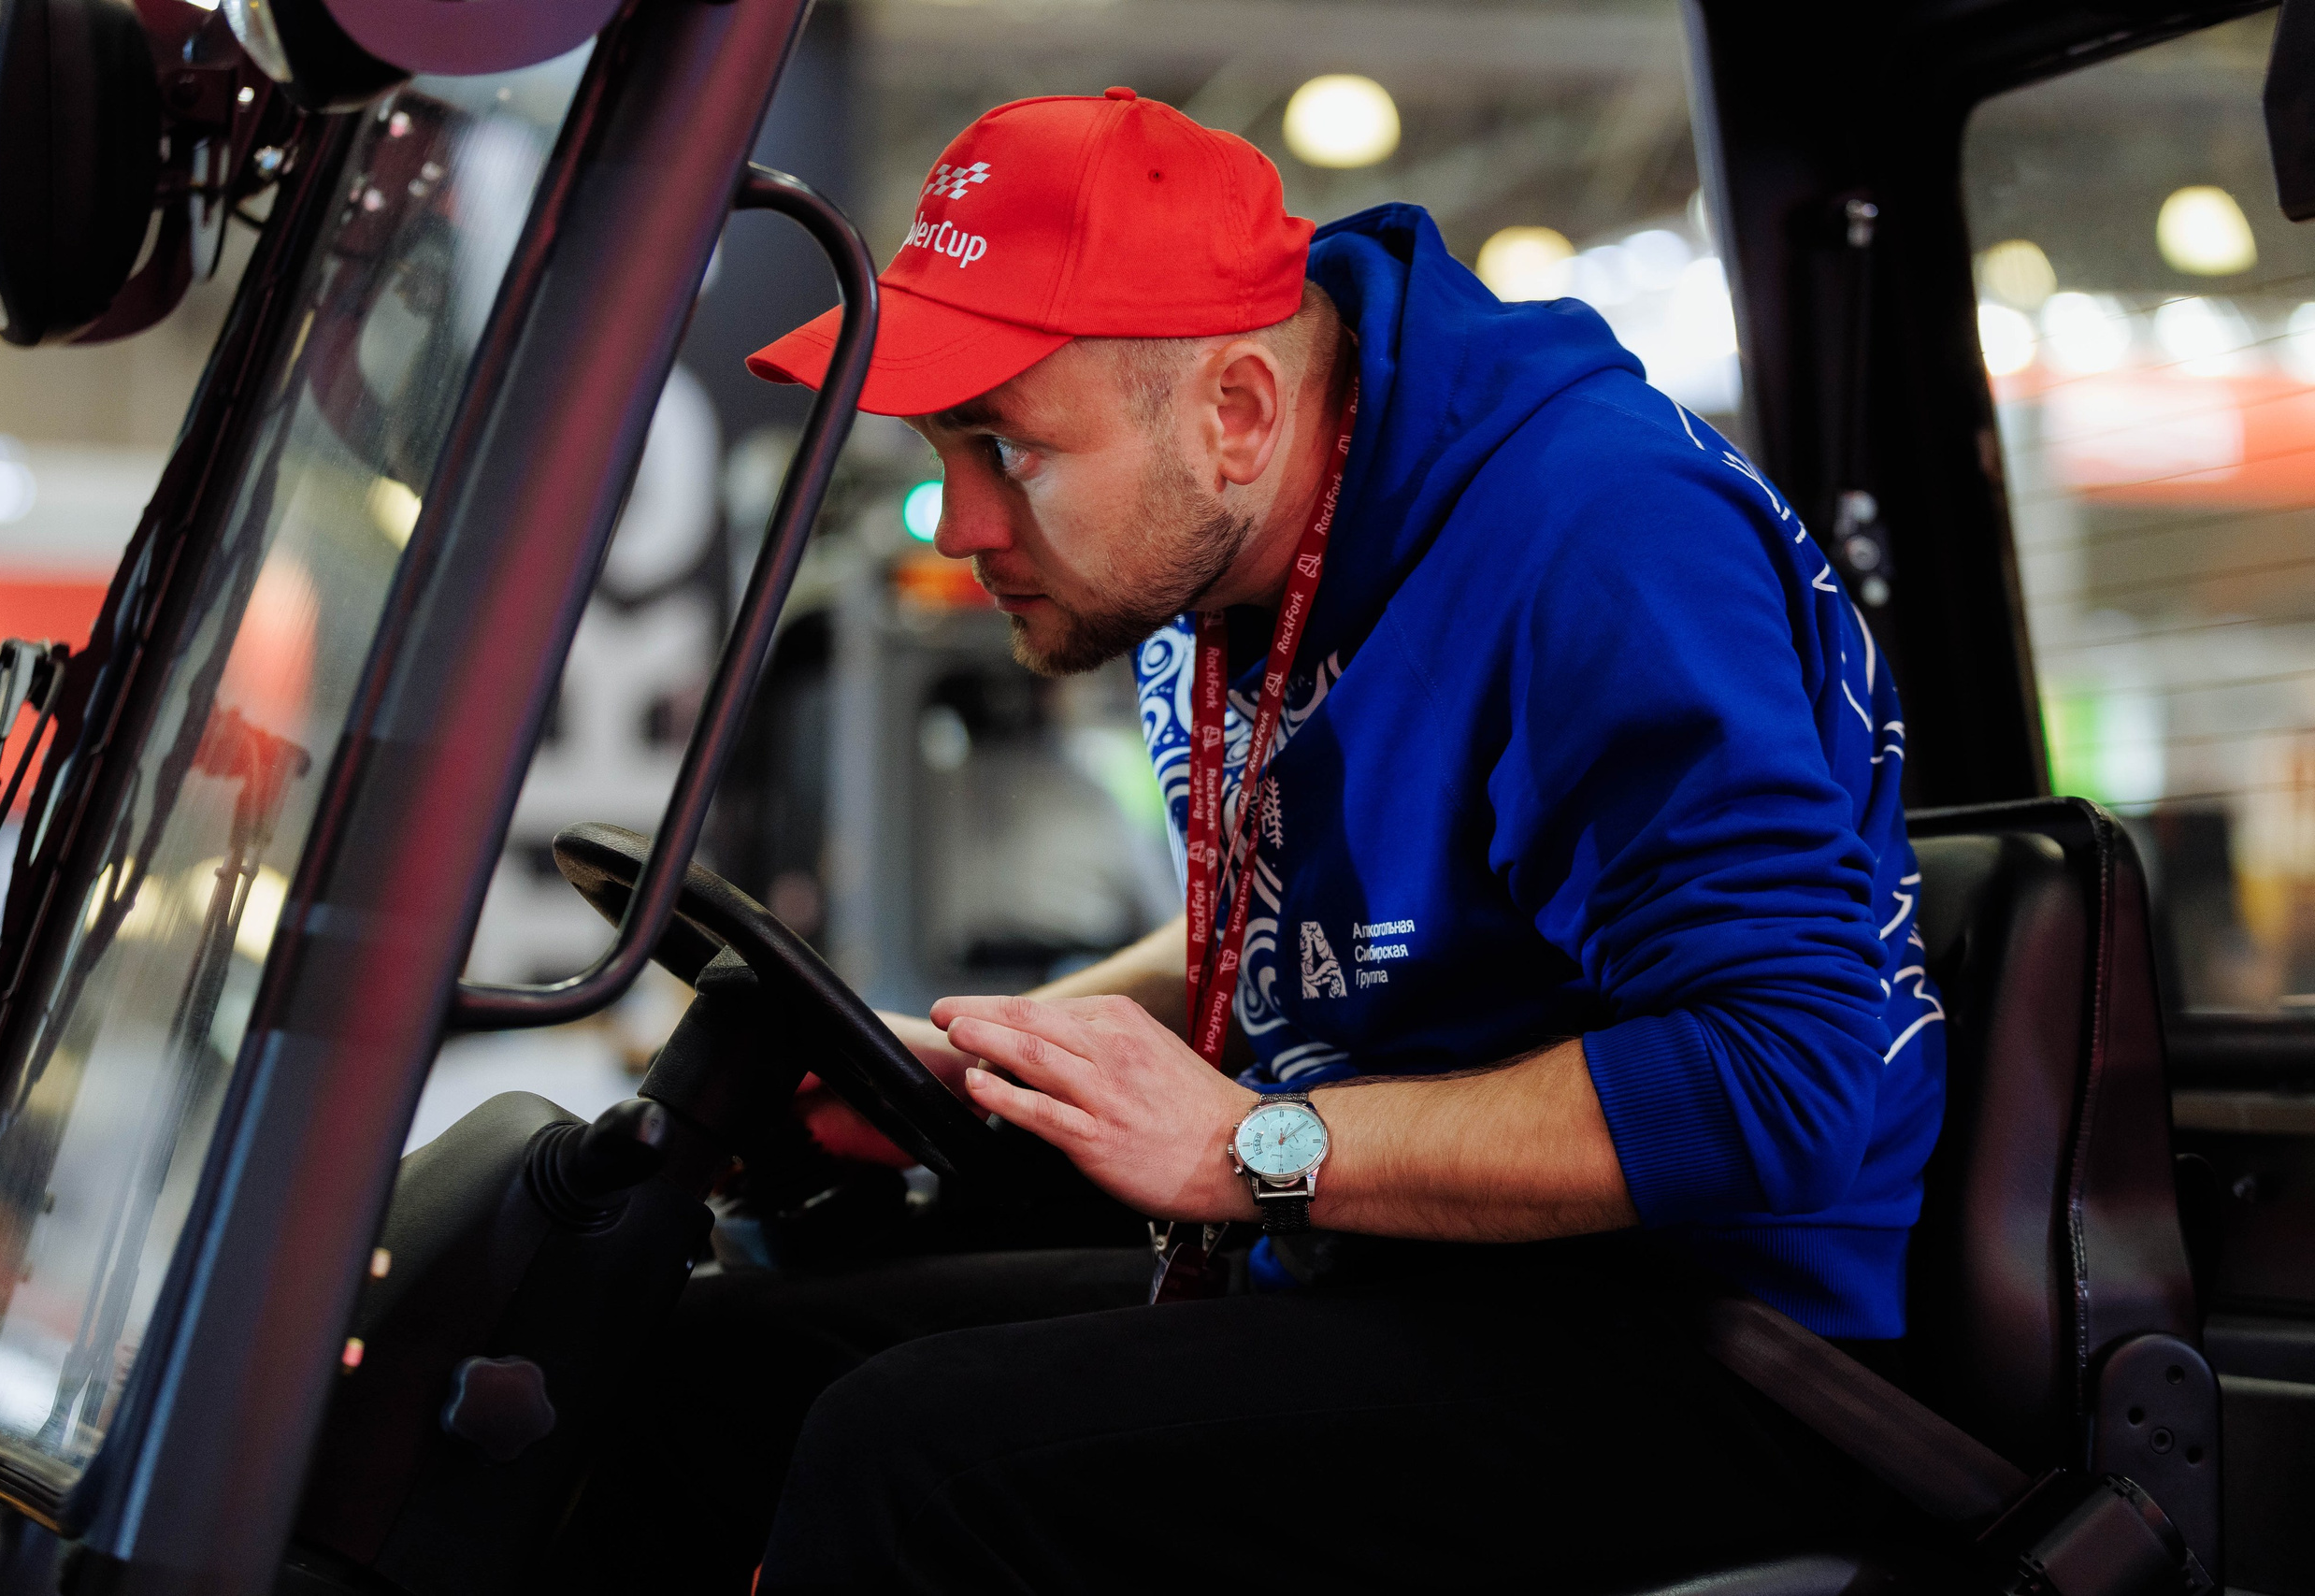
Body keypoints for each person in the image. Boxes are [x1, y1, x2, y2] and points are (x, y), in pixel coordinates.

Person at [578, 88, 1948, 1593]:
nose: (957, 524)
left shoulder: (1599, 535)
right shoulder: (1212, 567)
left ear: (1234, 411)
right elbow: (1273, 921)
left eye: (1003, 448)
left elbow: (1783, 1076)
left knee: (903, 1455)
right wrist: (1011, 1059)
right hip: (1390, 1266)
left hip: (1703, 1334)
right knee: (705, 1360)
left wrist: (1248, 1145)